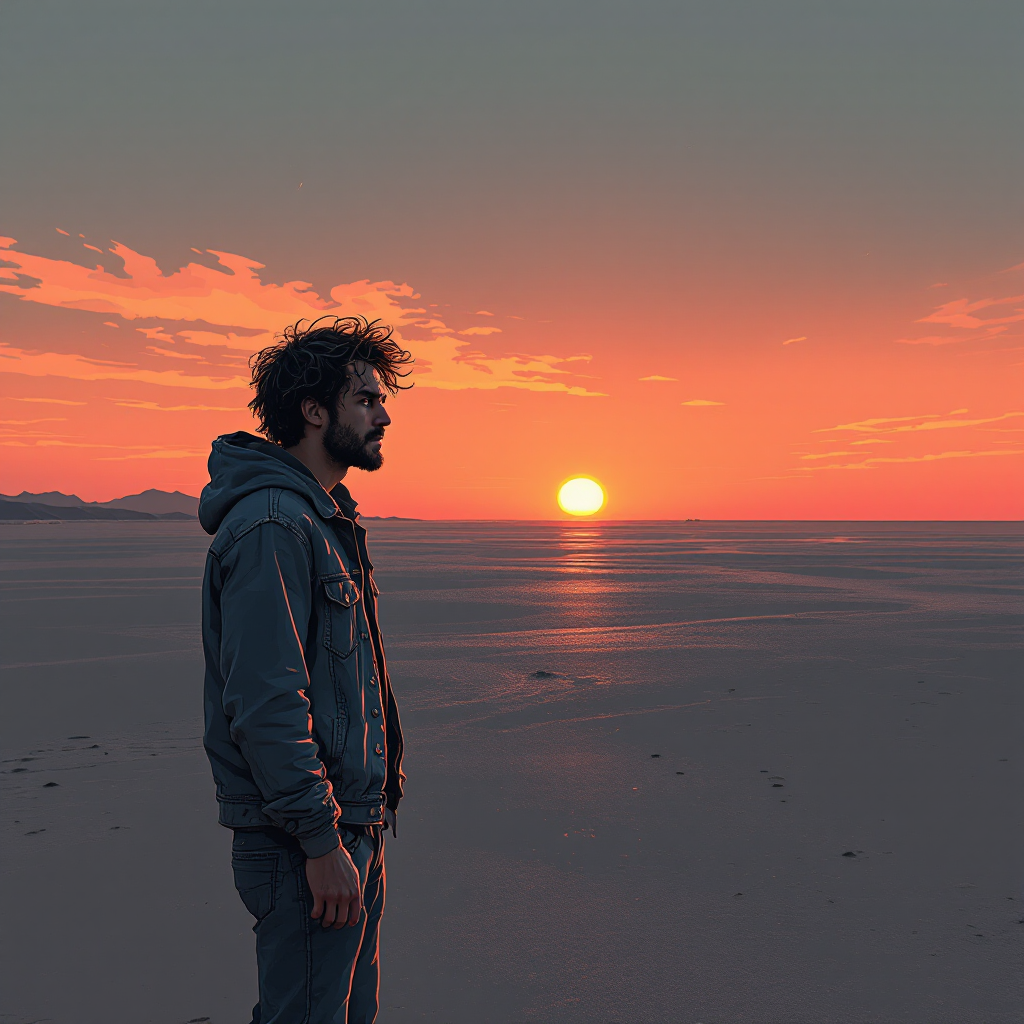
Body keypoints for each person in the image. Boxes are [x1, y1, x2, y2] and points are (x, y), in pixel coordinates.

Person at [199, 316, 413, 1024]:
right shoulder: (274, 527)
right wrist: (320, 840)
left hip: (350, 828)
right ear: (313, 412)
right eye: (365, 399)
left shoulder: (324, 520)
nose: (383, 414)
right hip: (305, 844)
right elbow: (266, 703)